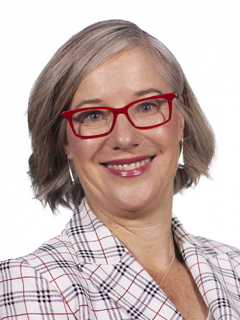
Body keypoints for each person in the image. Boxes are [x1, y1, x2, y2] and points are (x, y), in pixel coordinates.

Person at [0, 19, 239, 320]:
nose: (124, 138)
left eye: (147, 106)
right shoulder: (30, 283)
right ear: (65, 143)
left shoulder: (234, 268)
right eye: (94, 115)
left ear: (180, 122)